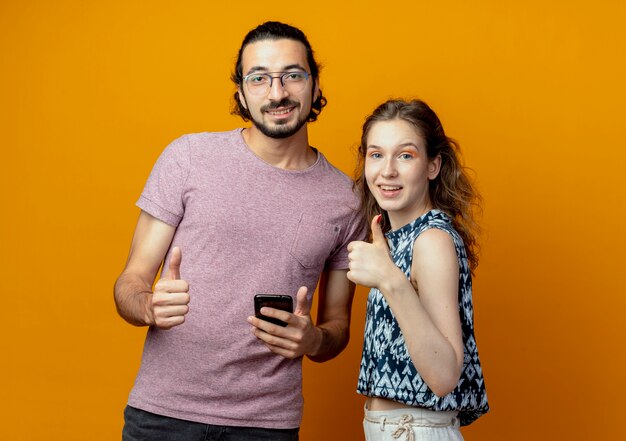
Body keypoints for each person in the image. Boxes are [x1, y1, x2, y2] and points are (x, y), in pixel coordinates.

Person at [114, 21, 366, 441]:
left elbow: (337, 325)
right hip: (163, 415)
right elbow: (130, 282)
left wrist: (314, 340)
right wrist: (148, 307)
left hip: (267, 425)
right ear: (241, 94)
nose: (278, 92)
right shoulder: (188, 158)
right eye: (259, 78)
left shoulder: (346, 199)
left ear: (315, 85)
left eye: (293, 75)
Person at [347, 99, 489, 440]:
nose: (387, 171)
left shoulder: (432, 239)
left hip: (415, 432)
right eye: (376, 154)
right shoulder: (397, 239)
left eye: (406, 155)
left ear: (433, 166)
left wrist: (389, 280)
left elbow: (443, 377)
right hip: (391, 430)